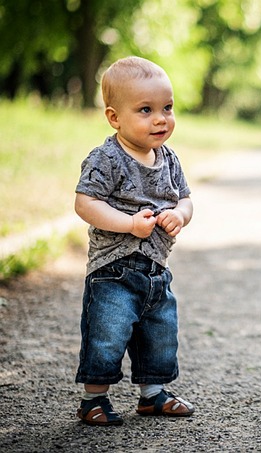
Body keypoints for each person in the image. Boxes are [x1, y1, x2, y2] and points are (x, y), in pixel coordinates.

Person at [74, 56, 194, 426]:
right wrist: (128, 224)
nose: (161, 118)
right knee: (106, 335)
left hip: (157, 270)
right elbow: (85, 203)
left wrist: (180, 215)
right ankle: (94, 399)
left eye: (167, 108)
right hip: (113, 271)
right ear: (114, 117)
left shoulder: (169, 159)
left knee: (159, 334)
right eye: (146, 110)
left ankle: (152, 393)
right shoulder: (106, 158)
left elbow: (185, 198)